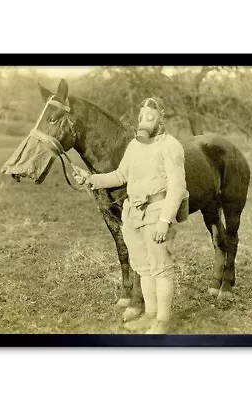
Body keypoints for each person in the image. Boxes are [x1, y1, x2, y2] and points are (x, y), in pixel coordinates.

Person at [73, 97, 188, 334]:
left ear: (161, 117)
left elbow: (177, 188)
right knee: (143, 268)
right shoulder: (135, 146)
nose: (144, 121)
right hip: (132, 214)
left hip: (157, 212)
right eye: (141, 116)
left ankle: (163, 322)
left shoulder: (171, 146)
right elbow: (119, 176)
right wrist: (91, 179)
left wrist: (165, 221)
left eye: (150, 117)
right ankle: (150, 315)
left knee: (161, 268)